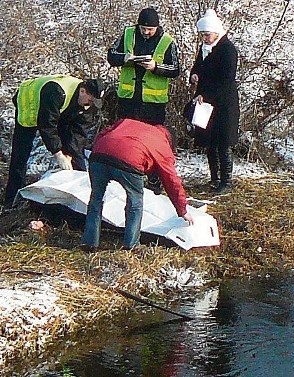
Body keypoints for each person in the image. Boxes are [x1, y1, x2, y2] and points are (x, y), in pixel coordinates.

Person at [81, 118, 194, 251]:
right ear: (170, 142)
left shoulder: (128, 122)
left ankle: (89, 243)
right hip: (130, 162)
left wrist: (97, 148)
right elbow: (171, 180)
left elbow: (104, 132)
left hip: (99, 155)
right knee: (135, 203)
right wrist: (182, 210)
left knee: (96, 199)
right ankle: (131, 245)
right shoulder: (162, 143)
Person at [3, 75, 104, 207]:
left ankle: (75, 200)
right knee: (21, 154)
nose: (89, 105)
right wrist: (58, 153)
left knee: (75, 156)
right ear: (83, 91)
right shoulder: (56, 91)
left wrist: (69, 154)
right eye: (90, 101)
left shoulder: (88, 104)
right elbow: (47, 125)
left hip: (58, 109)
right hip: (28, 104)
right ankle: (12, 199)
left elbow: (79, 132)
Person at [189, 9, 240, 194]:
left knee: (223, 143)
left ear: (216, 32)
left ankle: (226, 181)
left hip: (224, 103)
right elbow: (198, 66)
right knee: (209, 141)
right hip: (206, 102)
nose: (204, 38)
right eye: (202, 35)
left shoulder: (228, 50)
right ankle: (214, 178)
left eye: (207, 35)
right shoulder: (205, 49)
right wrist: (194, 75)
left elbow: (226, 80)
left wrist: (207, 95)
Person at [107, 7, 180, 126]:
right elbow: (111, 56)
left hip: (153, 104)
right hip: (128, 99)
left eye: (150, 29)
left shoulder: (167, 41)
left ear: (157, 27)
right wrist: (124, 58)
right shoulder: (128, 34)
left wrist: (155, 67)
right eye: (143, 28)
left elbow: (175, 69)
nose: (146, 32)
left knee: (151, 139)